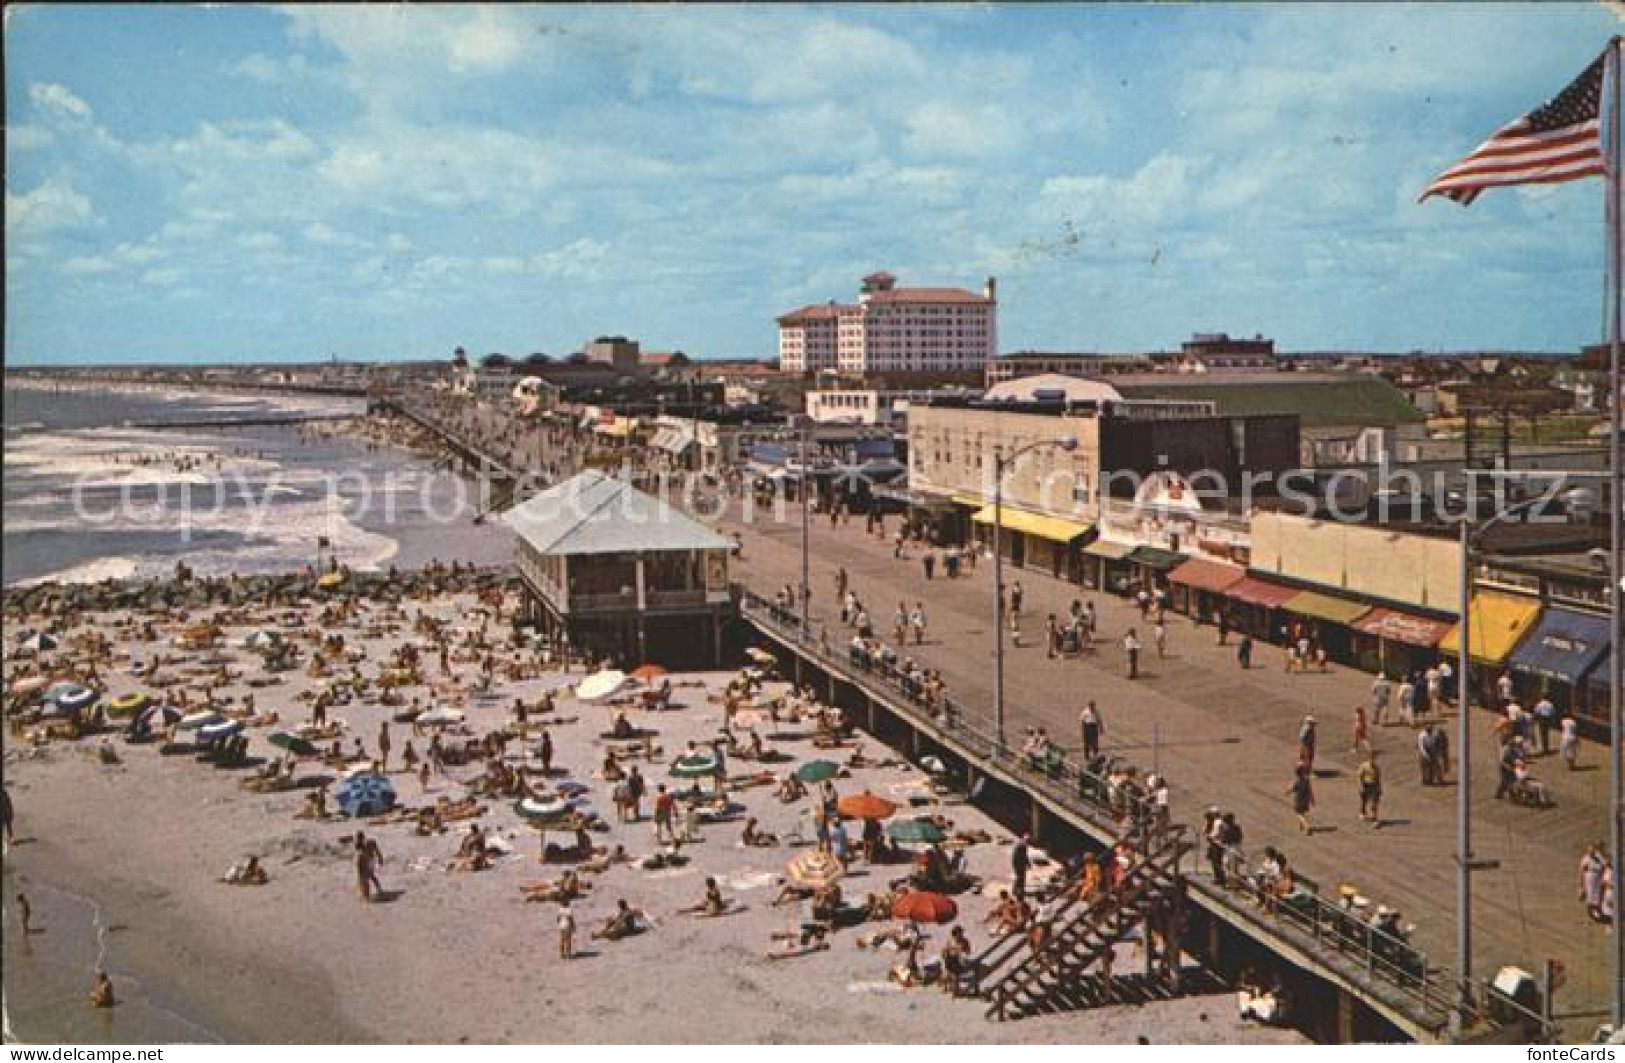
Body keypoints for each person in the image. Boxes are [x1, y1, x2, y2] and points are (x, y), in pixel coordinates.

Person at [1288, 766, 1315, 835]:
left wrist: (1286, 792)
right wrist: (1312, 800)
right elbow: (1310, 791)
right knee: (1302, 813)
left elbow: (1291, 789)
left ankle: (1307, 826)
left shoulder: (1297, 781)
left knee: (1299, 814)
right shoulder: (1306, 781)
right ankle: (1302, 827)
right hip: (1305, 800)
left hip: (1298, 800)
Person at [1357, 755, 1382, 826]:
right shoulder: (1364, 766)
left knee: (1374, 802)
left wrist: (1379, 788)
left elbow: (1378, 778)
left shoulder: (1377, 768)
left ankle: (1374, 818)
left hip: (1374, 785)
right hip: (1365, 784)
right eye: (1371, 759)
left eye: (1374, 759)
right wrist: (1360, 786)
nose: (1372, 761)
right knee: (1364, 800)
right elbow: (1359, 776)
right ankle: (1362, 812)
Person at [1011, 832, 1031, 900]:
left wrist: (1027, 863)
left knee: (1020, 877)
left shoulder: (1022, 844)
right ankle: (1016, 890)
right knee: (1020, 877)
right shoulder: (1022, 846)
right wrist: (1027, 863)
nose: (1028, 842)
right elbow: (1023, 856)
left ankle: (1019, 889)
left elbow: (1024, 856)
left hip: (1019, 863)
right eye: (1028, 840)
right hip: (1018, 864)